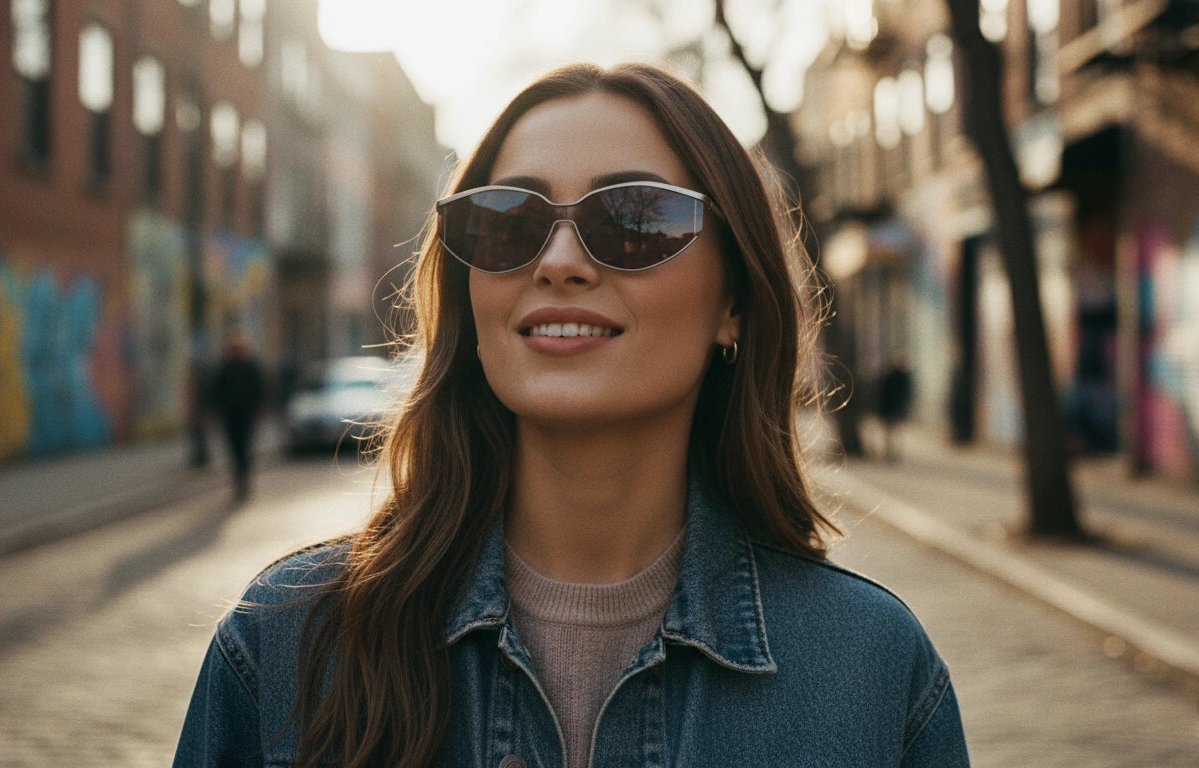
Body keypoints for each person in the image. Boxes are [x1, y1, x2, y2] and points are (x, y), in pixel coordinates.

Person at [173, 63, 968, 767]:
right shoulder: (285, 646)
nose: (556, 261)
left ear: (733, 301)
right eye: (509, 220)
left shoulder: (870, 671)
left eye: (632, 218)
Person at [209, 327, 264, 500]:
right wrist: (216, 410)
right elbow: (216, 391)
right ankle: (239, 480)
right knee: (234, 449)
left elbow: (260, 389)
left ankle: (243, 480)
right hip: (230, 415)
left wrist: (259, 408)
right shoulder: (225, 369)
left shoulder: (250, 368)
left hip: (245, 415)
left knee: (244, 448)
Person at [876, 352, 914, 462]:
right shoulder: (894, 377)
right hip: (890, 408)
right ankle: (890, 452)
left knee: (894, 432)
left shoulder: (901, 377)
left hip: (894, 408)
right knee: (890, 432)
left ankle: (894, 452)